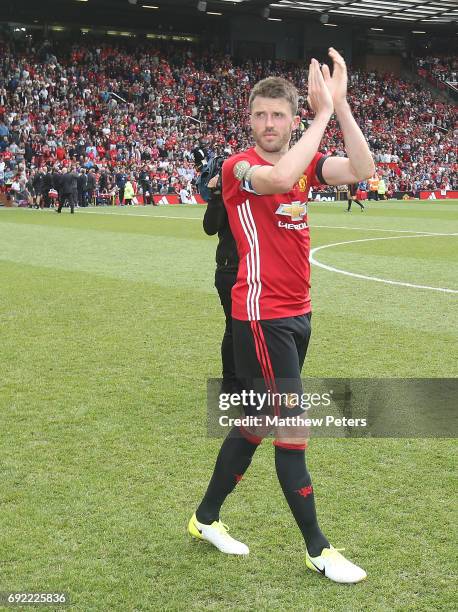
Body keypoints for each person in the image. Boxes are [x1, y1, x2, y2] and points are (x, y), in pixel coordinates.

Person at [188, 48, 375, 584]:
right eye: (259, 115)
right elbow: (277, 179)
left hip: (298, 315)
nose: (268, 124)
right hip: (260, 317)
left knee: (255, 425)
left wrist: (338, 106)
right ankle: (319, 549)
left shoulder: (307, 164)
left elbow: (362, 168)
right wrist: (320, 117)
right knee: (293, 430)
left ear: (291, 119)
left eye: (278, 115)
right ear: (250, 121)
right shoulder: (239, 167)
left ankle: (204, 520)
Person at [202, 162, 239, 394]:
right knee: (235, 328)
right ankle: (231, 382)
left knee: (246, 328)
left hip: (250, 269)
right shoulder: (225, 197)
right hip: (231, 270)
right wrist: (216, 196)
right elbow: (209, 227)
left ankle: (239, 380)